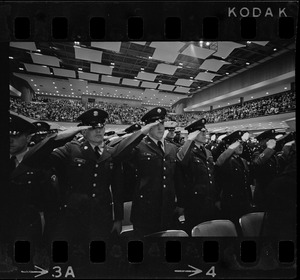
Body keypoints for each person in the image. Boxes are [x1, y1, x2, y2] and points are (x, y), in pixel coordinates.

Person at [48, 108, 125, 265]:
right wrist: (67, 134)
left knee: (98, 259)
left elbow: (117, 188)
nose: (98, 130)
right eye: (92, 127)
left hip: (101, 215)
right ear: (83, 131)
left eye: (101, 127)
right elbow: (46, 154)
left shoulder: (112, 153)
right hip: (74, 215)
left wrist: (118, 217)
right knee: (73, 259)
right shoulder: (71, 149)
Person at [116, 107, 185, 237]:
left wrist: (181, 202)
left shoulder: (172, 148)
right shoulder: (139, 146)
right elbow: (118, 154)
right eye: (155, 125)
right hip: (145, 211)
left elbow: (177, 178)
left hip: (168, 210)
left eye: (162, 124)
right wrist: (140, 133)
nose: (160, 128)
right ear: (148, 127)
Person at [177, 118, 221, 234]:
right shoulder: (187, 151)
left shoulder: (208, 152)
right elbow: (181, 162)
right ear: (193, 134)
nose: (205, 134)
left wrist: (216, 198)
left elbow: (212, 176)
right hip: (195, 202)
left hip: (209, 199)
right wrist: (189, 140)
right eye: (201, 132)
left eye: (205, 131)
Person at [215, 130, 253, 234]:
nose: (240, 146)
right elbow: (218, 164)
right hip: (231, 204)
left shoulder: (242, 161)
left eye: (241, 143)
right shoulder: (226, 162)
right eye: (237, 144)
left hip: (244, 201)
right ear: (228, 146)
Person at [252, 129, 290, 211]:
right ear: (262, 142)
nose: (272, 142)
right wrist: (269, 148)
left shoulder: (274, 154)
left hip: (274, 191)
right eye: (268, 140)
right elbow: (258, 162)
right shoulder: (257, 152)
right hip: (263, 192)